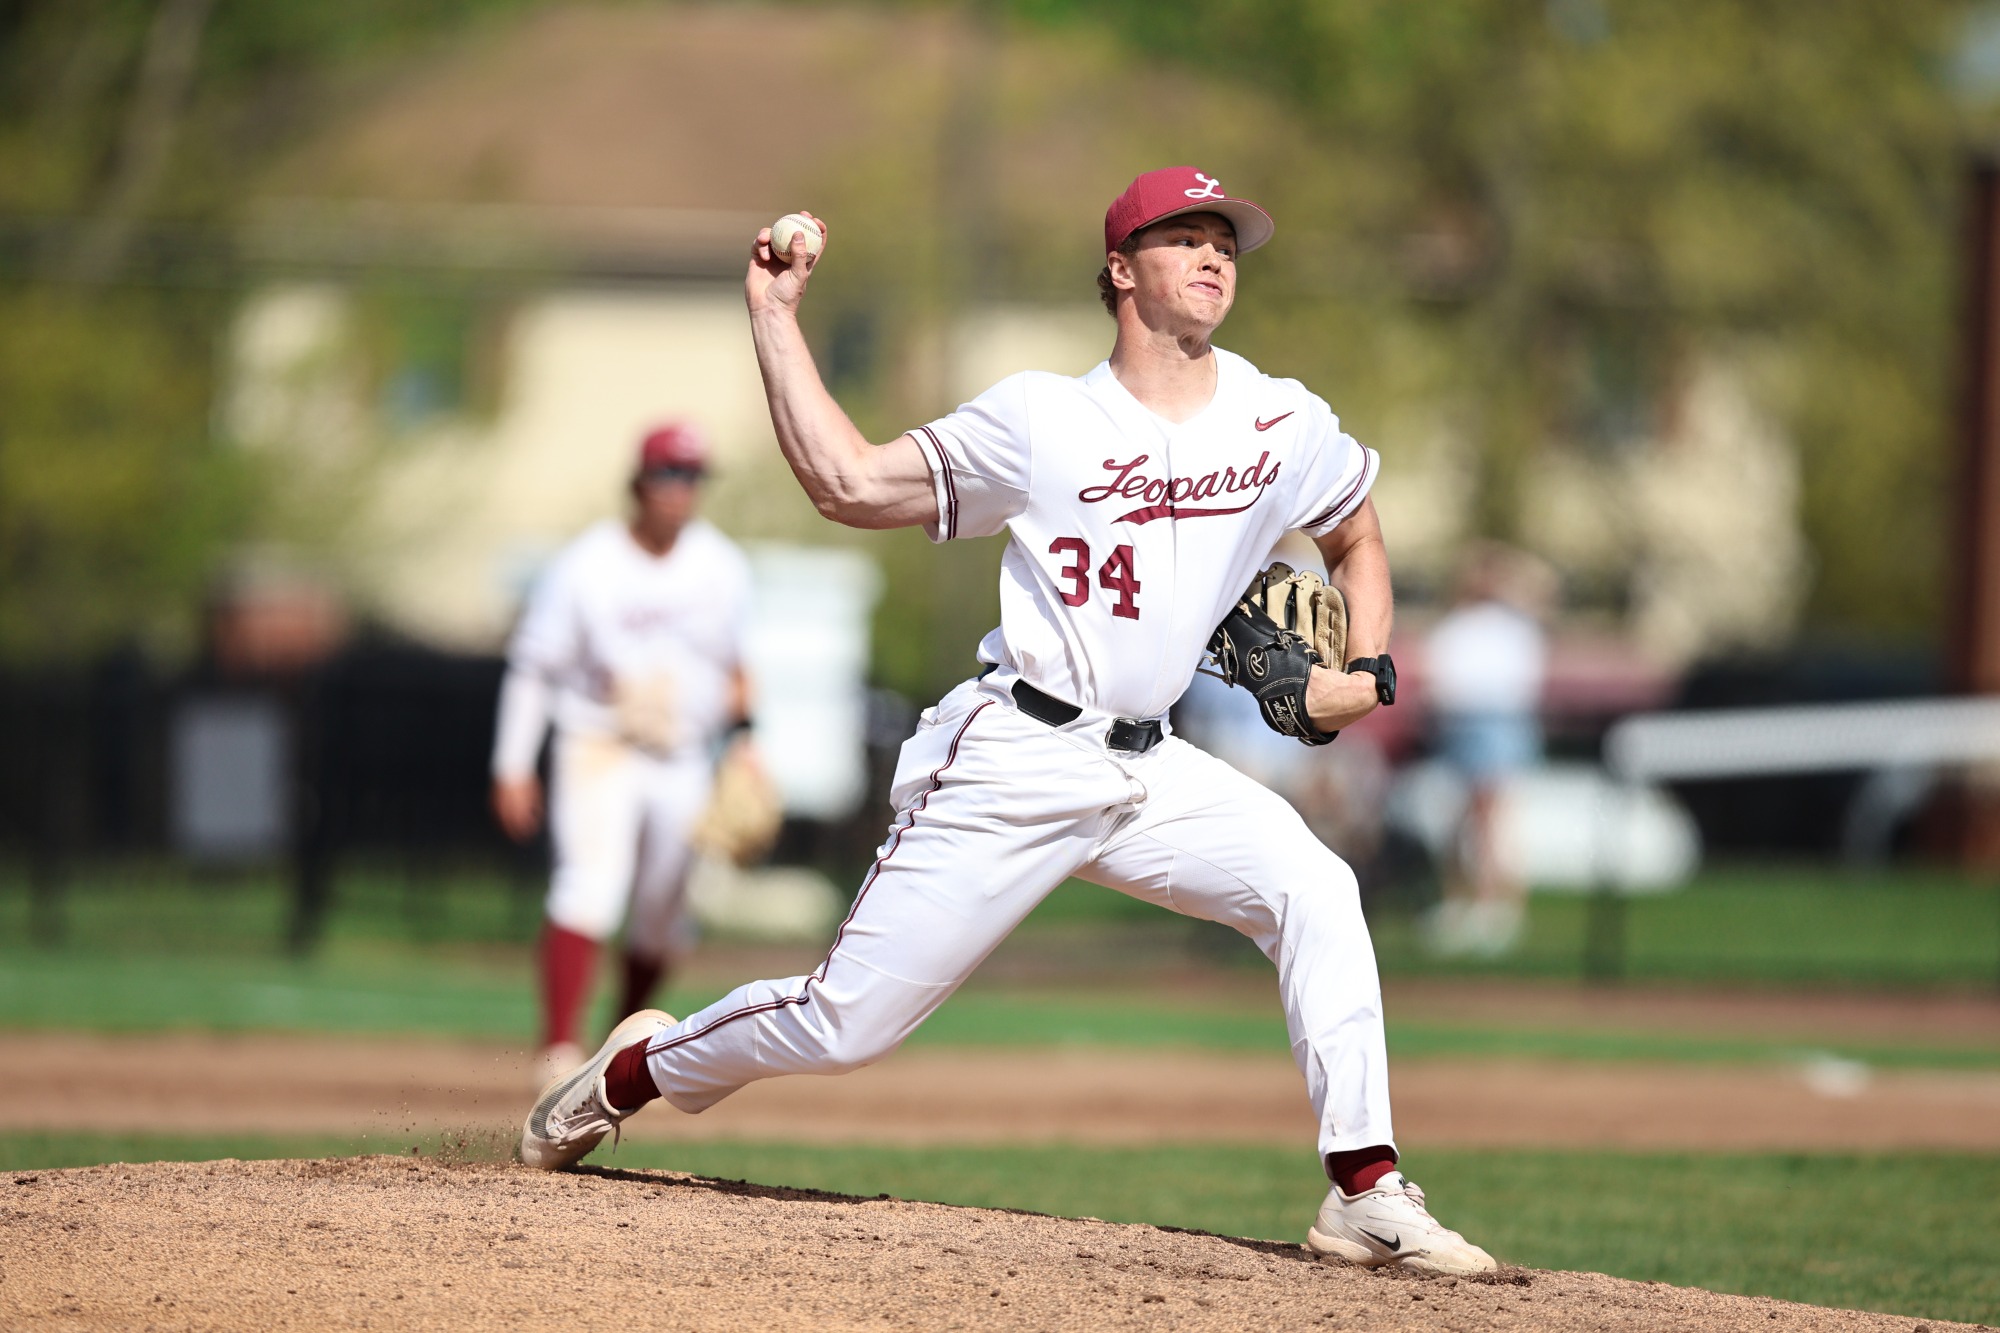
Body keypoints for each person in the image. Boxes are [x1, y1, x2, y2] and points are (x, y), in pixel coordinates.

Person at [520, 168, 1496, 1275]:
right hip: (1017, 753)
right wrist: (775, 315)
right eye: (1185, 237)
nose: (1216, 255)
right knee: (846, 1027)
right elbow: (846, 482)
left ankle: (1364, 1189)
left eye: (1226, 239)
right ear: (1121, 271)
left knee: (1314, 887)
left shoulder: (1280, 418)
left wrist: (1362, 667)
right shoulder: (1041, 420)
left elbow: (1355, 535)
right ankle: (633, 1069)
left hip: (1150, 769)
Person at [490, 423, 756, 1086]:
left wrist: (748, 745)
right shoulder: (588, 563)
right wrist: (511, 763)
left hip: (684, 753)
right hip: (599, 743)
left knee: (665, 912)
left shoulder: (719, 565)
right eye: (669, 474)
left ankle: (619, 1050)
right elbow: (533, 665)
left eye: (691, 477)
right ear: (639, 482)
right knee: (588, 887)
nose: (680, 490)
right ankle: (557, 1050)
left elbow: (738, 666)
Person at [1421, 542, 1551, 957]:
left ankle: (1494, 903)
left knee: (1492, 814)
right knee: (1464, 816)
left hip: (1495, 722)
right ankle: (1466, 901)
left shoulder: (1511, 628)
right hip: (1464, 723)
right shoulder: (1458, 627)